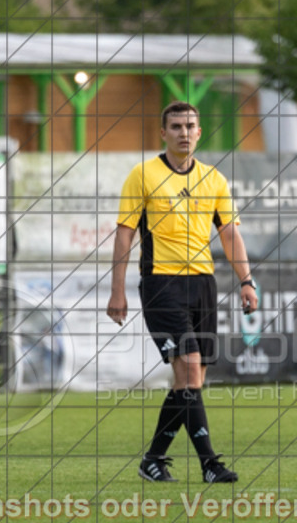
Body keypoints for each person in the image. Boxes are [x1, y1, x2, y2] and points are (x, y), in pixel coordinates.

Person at [107, 101, 257, 484]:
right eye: (176, 126)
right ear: (163, 132)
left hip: (202, 284)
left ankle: (153, 459)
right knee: (189, 368)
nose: (184, 133)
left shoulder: (214, 179)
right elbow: (125, 233)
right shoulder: (143, 175)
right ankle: (209, 464)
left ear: (200, 131)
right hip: (161, 283)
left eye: (190, 126)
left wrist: (246, 281)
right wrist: (117, 291)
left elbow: (230, 234)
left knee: (191, 382)